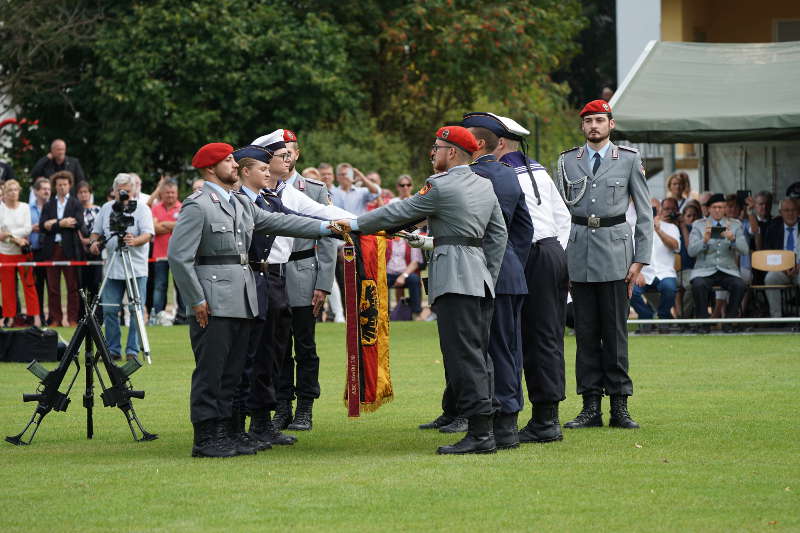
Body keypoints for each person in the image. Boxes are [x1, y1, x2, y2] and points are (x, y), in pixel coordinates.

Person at [335, 125, 508, 455]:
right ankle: (485, 427)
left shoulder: (441, 185)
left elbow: (399, 211)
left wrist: (354, 224)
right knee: (478, 355)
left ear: (452, 152)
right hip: (479, 279)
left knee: (462, 358)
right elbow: (497, 236)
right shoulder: (484, 185)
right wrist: (487, 275)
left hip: (454, 279)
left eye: (437, 147)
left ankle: (480, 435)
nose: (434, 153)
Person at [168, 142, 340, 458]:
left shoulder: (238, 203)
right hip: (214, 298)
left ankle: (228, 432)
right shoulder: (198, 205)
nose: (235, 165)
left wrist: (328, 228)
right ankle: (206, 438)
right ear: (210, 169)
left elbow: (283, 222)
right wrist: (195, 300)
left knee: (233, 371)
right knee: (212, 370)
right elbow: (179, 258)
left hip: (241, 297)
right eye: (228, 161)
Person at [558, 99, 652, 430]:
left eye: (599, 120)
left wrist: (640, 259)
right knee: (585, 335)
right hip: (579, 253)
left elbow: (644, 211)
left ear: (611, 124)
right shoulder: (568, 161)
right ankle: (590, 407)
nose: (593, 126)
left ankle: (620, 406)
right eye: (588, 121)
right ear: (582, 127)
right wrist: (561, 259)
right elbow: (560, 214)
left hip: (616, 253)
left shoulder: (628, 159)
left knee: (615, 334)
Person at [250, 129, 352, 432]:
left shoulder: (308, 188)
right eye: (283, 153)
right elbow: (300, 220)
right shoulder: (257, 190)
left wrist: (323, 283)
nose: (289, 157)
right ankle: (279, 406)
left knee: (304, 345)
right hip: (268, 273)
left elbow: (327, 217)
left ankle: (305, 405)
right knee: (274, 346)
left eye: (290, 151)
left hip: (304, 271)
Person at [448, 112, 533, 449]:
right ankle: (509, 424)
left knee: (486, 352)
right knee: (508, 350)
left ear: (478, 143)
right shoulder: (510, 176)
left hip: (482, 271)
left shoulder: (471, 177)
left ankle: (493, 424)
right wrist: (513, 262)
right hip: (510, 271)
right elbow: (524, 228)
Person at [494, 113, 572, 444]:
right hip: (552, 250)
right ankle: (546, 416)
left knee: (527, 339)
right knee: (548, 337)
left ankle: (543, 422)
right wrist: (556, 253)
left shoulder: (501, 174)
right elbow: (564, 218)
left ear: (498, 144)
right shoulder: (536, 169)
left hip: (528, 254)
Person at [88, 174, 154, 359]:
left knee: (135, 310)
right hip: (113, 265)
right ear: (114, 190)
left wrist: (135, 240)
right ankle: (112, 350)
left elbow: (148, 234)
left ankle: (132, 350)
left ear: (133, 190)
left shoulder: (142, 209)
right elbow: (96, 232)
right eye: (120, 190)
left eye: (126, 190)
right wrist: (94, 243)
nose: (123, 193)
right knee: (109, 308)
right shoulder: (106, 208)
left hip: (136, 266)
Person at [688, 193, 749, 332]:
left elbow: (745, 250)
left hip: (727, 269)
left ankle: (728, 323)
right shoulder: (698, 225)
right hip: (704, 269)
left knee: (739, 285)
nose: (717, 210)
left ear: (726, 208)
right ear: (708, 209)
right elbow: (691, 251)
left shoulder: (735, 225)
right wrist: (704, 240)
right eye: (714, 207)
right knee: (698, 284)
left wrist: (733, 239)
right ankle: (703, 324)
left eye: (721, 207)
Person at [40, 170, 84, 327]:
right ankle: (55, 318)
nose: (62, 187)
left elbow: (77, 223)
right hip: (52, 249)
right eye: (59, 185)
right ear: (55, 186)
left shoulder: (75, 203)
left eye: (65, 184)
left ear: (70, 185)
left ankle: (72, 319)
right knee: (53, 287)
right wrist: (62, 223)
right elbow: (43, 226)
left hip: (70, 249)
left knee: (72, 286)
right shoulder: (49, 204)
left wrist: (54, 224)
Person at [630, 197, 681, 330]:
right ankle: (646, 316)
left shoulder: (671, 227)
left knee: (669, 287)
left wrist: (659, 230)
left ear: (660, 210)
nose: (651, 211)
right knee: (628, 290)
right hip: (643, 274)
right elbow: (629, 252)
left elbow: (675, 246)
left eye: (654, 209)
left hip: (665, 273)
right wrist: (637, 271)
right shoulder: (634, 227)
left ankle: (663, 318)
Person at [0, 179, 40, 327]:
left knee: (29, 285)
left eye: (16, 189)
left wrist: (10, 236)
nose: (13, 193)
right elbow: (0, 234)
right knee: (7, 288)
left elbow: (27, 228)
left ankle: (35, 318)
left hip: (23, 253)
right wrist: (15, 239)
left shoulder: (25, 207)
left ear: (19, 191)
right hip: (5, 253)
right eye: (10, 190)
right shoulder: (1, 208)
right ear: (4, 193)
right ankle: (9, 318)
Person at [149, 178, 183, 324]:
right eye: (167, 192)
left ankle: (183, 316)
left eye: (173, 192)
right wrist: (173, 225)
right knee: (159, 285)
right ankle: (157, 316)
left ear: (177, 193)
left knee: (181, 285)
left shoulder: (183, 207)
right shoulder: (155, 208)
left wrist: (162, 224)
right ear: (162, 193)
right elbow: (153, 228)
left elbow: (183, 227)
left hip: (179, 255)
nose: (170, 195)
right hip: (159, 255)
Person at [763, 198, 799, 317]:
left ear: (798, 211)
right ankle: (776, 317)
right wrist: (783, 267)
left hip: (799, 269)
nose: (790, 213)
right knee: (770, 278)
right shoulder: (773, 228)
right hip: (780, 268)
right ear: (780, 213)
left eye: (793, 210)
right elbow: (768, 253)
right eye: (786, 210)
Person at [75, 181, 102, 321]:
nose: (83, 195)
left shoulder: (98, 210)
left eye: (86, 192)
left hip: (96, 252)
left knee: (95, 284)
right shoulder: (75, 211)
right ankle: (82, 315)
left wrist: (92, 242)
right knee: (81, 285)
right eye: (81, 192)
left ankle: (97, 316)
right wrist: (82, 241)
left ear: (90, 193)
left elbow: (102, 230)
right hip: (80, 253)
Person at [29, 139, 86, 204]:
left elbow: (81, 180)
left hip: (70, 199)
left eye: (63, 149)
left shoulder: (73, 162)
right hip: (51, 200)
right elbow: (34, 174)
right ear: (52, 150)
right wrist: (46, 158)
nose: (61, 152)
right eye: (59, 149)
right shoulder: (46, 163)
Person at [29, 177, 51, 325]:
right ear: (36, 191)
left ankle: (52, 316)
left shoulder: (53, 206)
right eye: (44, 189)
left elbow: (51, 226)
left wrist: (39, 226)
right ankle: (39, 316)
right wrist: (44, 226)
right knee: (37, 286)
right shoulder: (28, 208)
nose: (47, 192)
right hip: (34, 250)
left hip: (50, 251)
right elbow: (27, 226)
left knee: (52, 285)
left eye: (49, 189)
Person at [677, 200, 702, 319]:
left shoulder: (699, 231)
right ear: (683, 216)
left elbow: (691, 251)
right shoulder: (675, 229)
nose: (692, 218)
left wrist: (684, 228)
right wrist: (681, 226)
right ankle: (677, 317)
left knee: (693, 285)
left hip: (692, 270)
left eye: (694, 216)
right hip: (674, 270)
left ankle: (682, 317)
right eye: (688, 215)